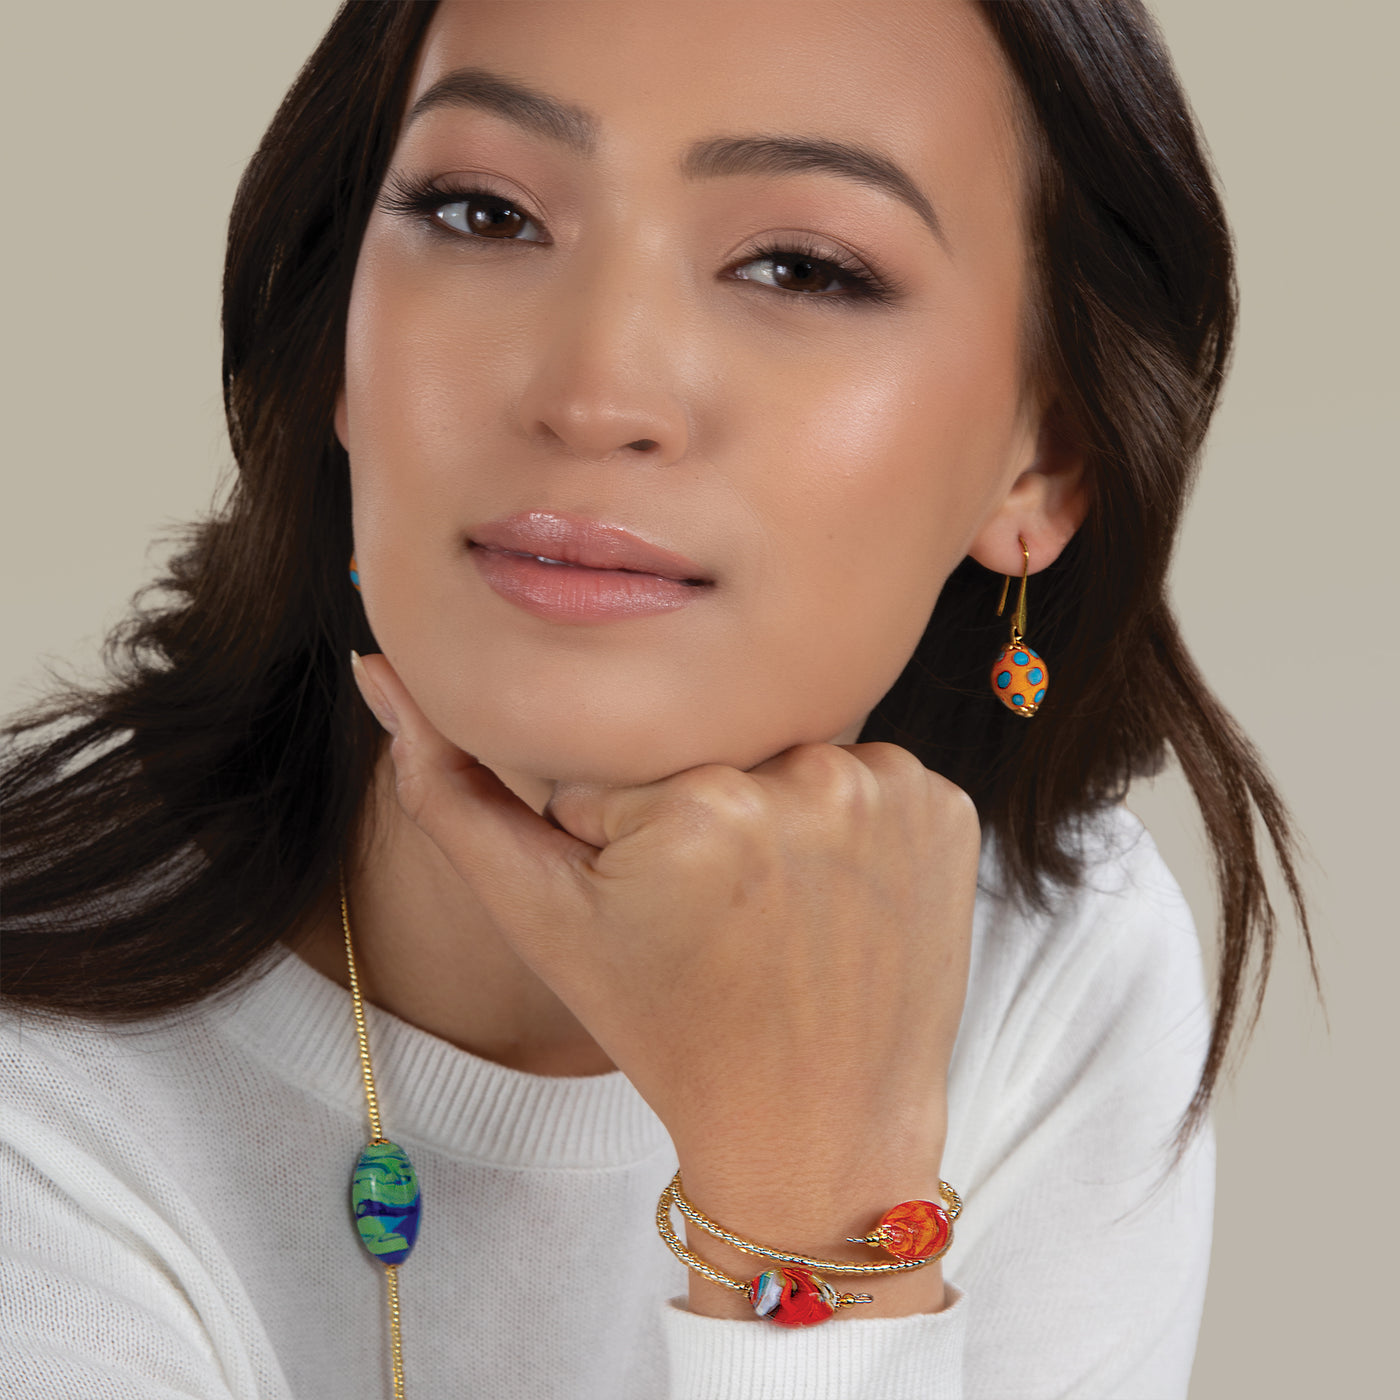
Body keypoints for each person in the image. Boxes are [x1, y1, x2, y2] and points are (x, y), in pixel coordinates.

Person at [0, 1, 1312, 1396]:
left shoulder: (1060, 969)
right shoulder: (46, 1101)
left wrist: (817, 1188)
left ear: (1044, 457)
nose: (595, 392)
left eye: (801, 267)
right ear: (342, 339)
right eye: (485, 212)